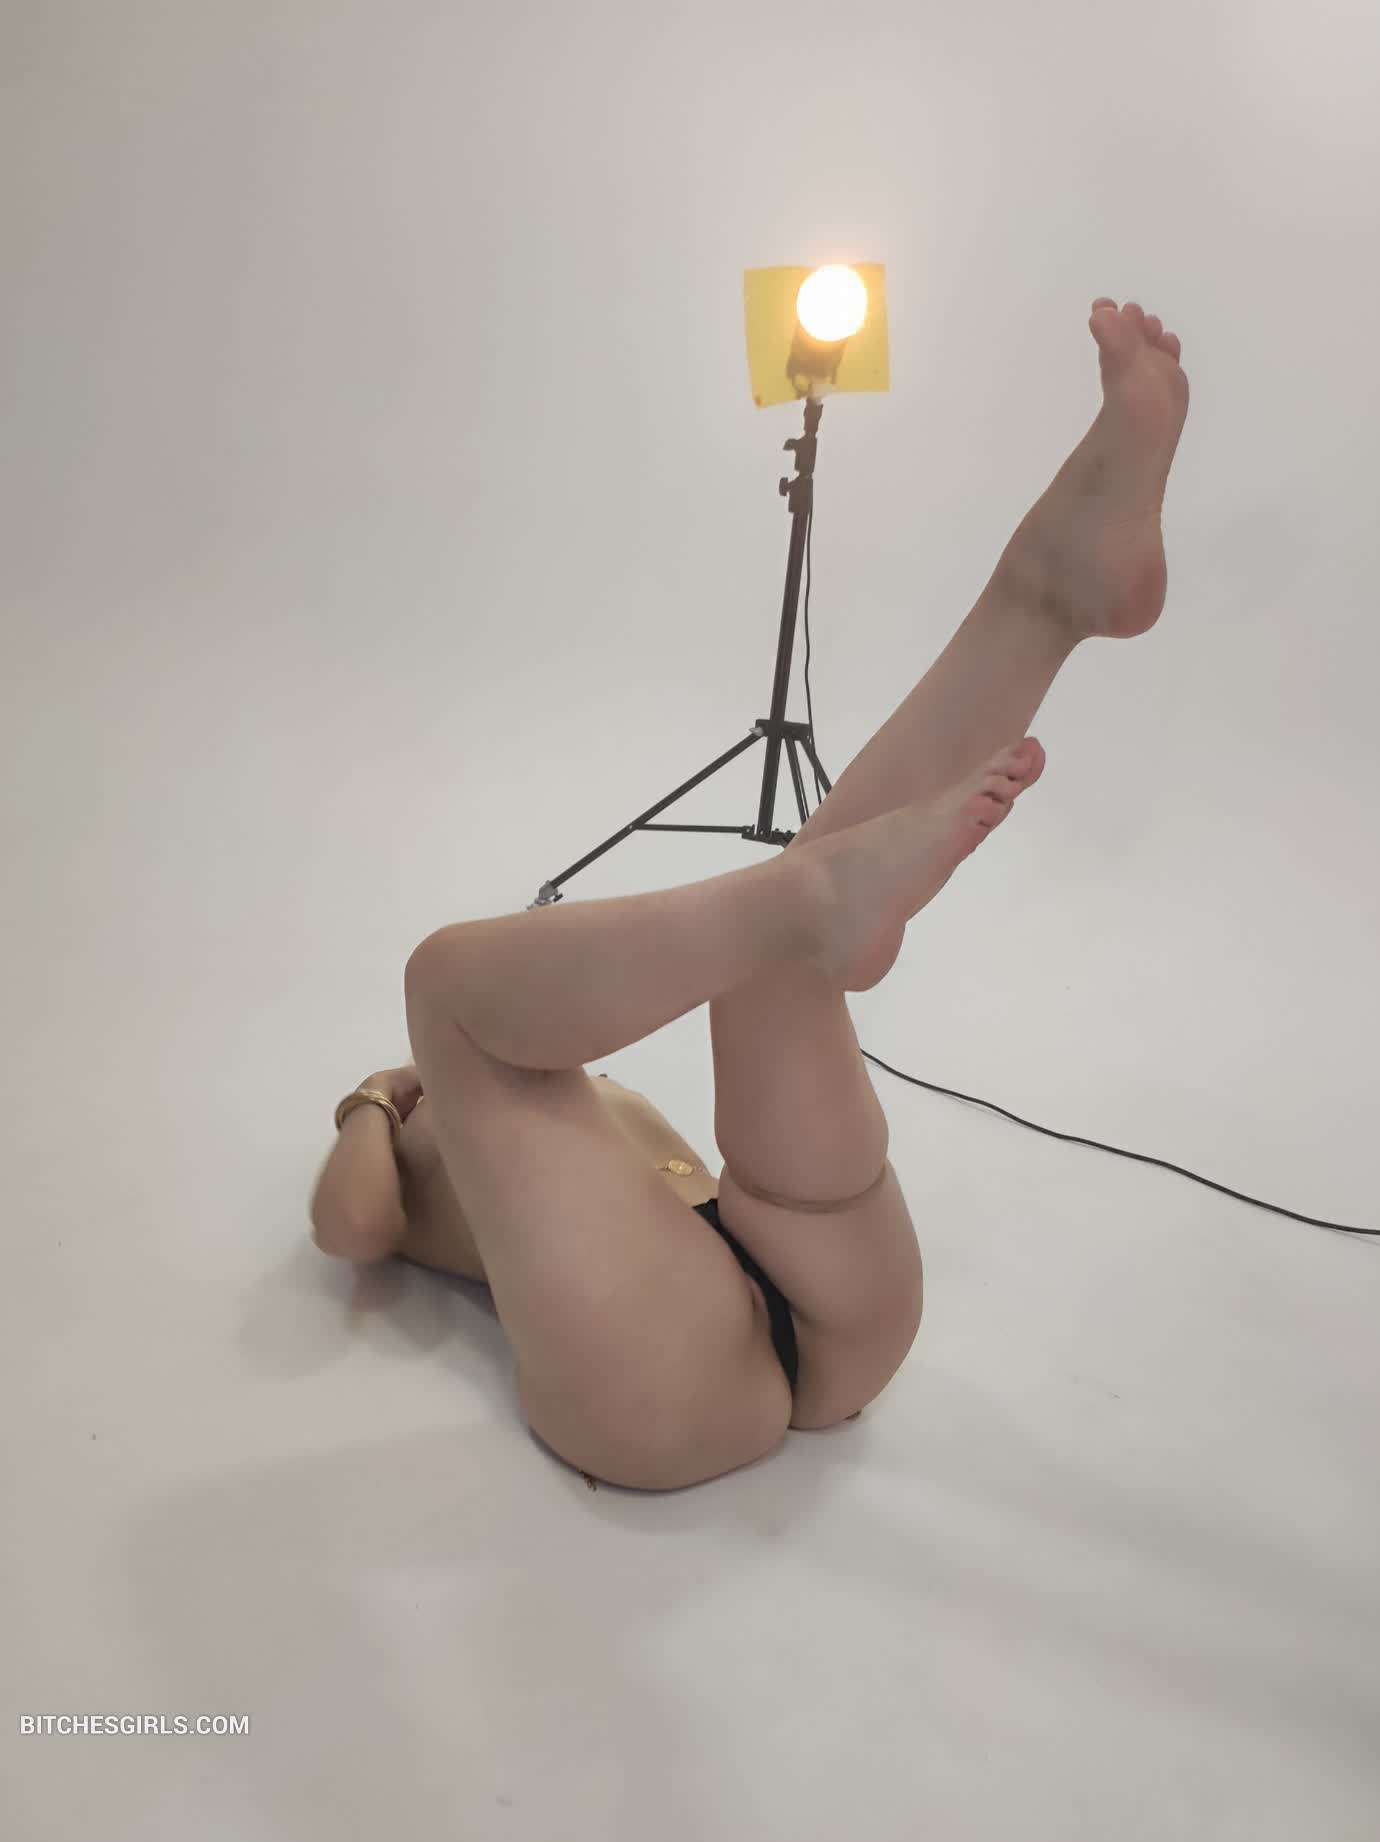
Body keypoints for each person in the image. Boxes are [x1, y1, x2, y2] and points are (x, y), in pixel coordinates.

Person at [310, 297, 1190, 1493]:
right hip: (672, 1371)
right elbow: (349, 1228)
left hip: (784, 1273)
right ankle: (810, 893)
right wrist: (376, 1096)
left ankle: (1046, 599)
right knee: (444, 984)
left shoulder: (547, 1095)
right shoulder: (423, 1121)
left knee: (764, 971)